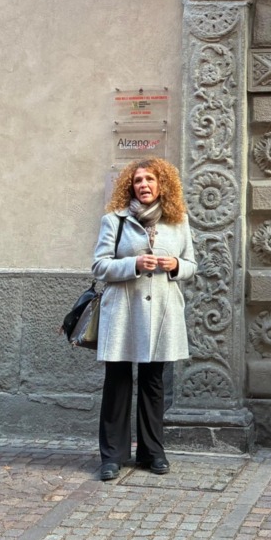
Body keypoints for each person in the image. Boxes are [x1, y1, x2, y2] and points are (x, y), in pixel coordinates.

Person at [92, 157, 196, 481]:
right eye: (138, 180)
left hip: (162, 311)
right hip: (123, 311)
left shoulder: (178, 221)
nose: (144, 185)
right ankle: (112, 455)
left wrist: (175, 265)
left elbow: (192, 264)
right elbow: (99, 266)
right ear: (130, 186)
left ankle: (152, 452)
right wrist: (134, 264)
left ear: (161, 184)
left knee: (153, 384)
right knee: (118, 382)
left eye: (150, 179)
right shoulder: (115, 220)